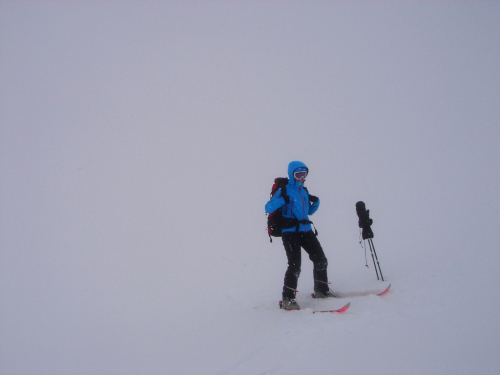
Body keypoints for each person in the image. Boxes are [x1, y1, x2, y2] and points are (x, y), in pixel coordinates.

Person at [265, 161, 335, 310]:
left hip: (306, 230)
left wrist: (315, 203)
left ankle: (321, 291)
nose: (301, 177)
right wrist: (282, 200)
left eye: (304, 174)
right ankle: (287, 299)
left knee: (321, 259)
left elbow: (308, 212)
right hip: (290, 232)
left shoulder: (303, 191)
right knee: (295, 265)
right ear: (292, 175)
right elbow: (268, 207)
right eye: (298, 174)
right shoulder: (284, 189)